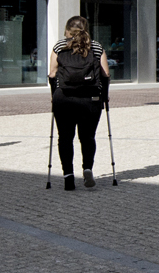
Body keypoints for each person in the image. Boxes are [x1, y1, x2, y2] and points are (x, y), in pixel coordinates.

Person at [49, 15, 111, 191]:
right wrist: (104, 96)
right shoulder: (96, 47)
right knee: (87, 136)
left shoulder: (60, 46)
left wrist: (54, 95)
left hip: (64, 98)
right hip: (90, 99)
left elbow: (52, 74)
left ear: (67, 30)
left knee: (65, 137)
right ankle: (87, 169)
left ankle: (68, 176)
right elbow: (105, 74)